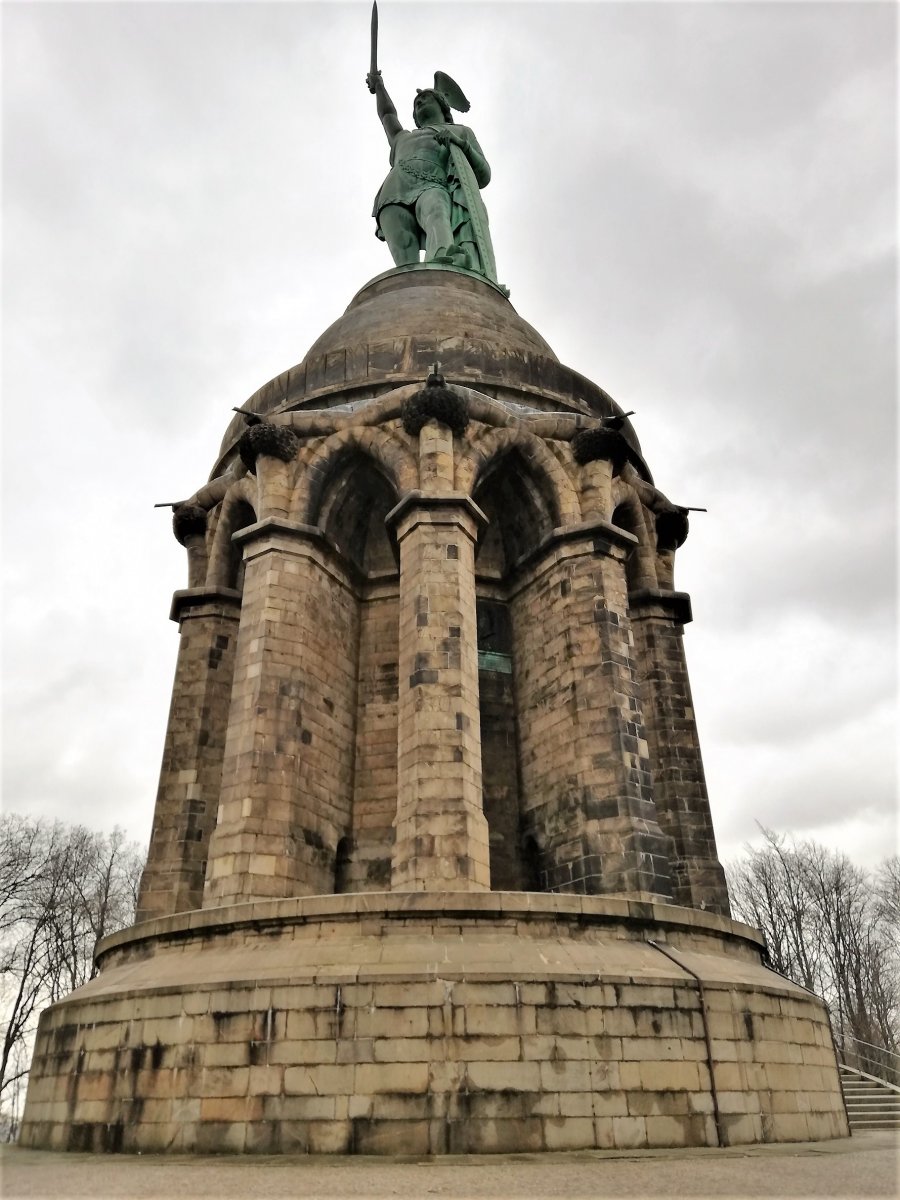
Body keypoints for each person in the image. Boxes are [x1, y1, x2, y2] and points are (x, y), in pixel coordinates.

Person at [366, 71, 496, 280]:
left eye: (425, 97)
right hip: (394, 190)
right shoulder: (402, 138)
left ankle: (443, 270)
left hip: (433, 185)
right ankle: (413, 289)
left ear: (442, 105)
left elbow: (484, 175)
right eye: (416, 102)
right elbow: (387, 115)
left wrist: (461, 145)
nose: (419, 102)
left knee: (436, 213)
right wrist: (379, 85)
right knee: (404, 253)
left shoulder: (461, 132)